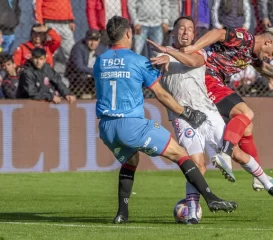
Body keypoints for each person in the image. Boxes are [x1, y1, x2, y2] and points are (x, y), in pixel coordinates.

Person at [94, 16, 238, 224]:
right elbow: (162, 95)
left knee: (131, 161)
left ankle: (122, 214)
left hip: (107, 128)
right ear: (128, 34)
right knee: (181, 154)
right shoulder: (138, 61)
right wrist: (186, 113)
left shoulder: (100, 61)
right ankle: (211, 198)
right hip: (132, 125)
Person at [148, 16, 273, 223]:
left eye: (190, 29)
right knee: (198, 165)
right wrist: (165, 56)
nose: (186, 33)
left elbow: (193, 61)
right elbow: (154, 82)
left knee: (238, 154)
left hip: (208, 112)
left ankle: (268, 185)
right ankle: (193, 212)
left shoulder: (198, 52)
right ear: (173, 32)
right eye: (181, 29)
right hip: (184, 117)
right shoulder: (159, 55)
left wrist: (171, 54)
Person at [181, 26, 273, 190]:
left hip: (216, 83)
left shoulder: (251, 54)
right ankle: (225, 154)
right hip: (207, 79)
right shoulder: (245, 38)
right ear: (268, 42)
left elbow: (264, 68)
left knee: (247, 126)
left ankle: (259, 176)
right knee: (246, 113)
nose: (270, 58)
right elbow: (218, 33)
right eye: (272, 53)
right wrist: (195, 47)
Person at [66, 29, 107, 99]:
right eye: (90, 40)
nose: (93, 43)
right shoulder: (78, 48)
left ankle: (99, 96)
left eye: (95, 40)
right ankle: (80, 95)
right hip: (78, 76)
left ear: (99, 40)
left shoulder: (102, 48)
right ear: (85, 40)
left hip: (93, 76)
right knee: (82, 76)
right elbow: (79, 67)